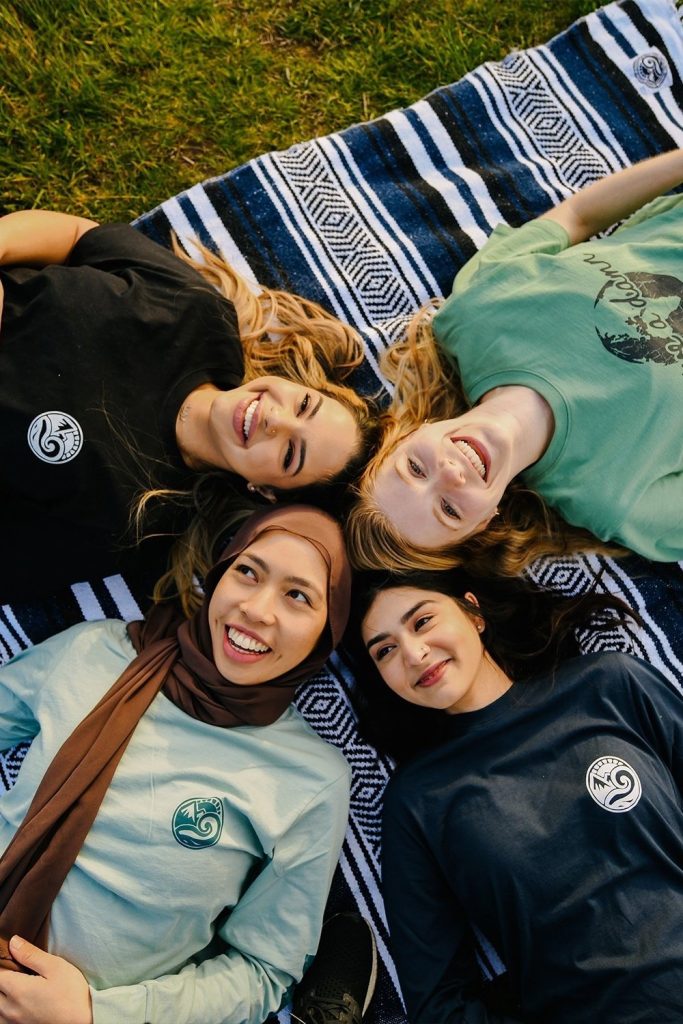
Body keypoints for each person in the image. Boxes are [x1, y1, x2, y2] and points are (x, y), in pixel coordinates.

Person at [0, 505, 352, 1024]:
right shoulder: (98, 652)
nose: (256, 609)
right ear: (217, 576)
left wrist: (97, 1015)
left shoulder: (312, 780)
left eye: (298, 596)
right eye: (247, 572)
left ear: (327, 633)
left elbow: (262, 972)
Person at [350, 568, 683, 1023]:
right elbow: (439, 1003)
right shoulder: (417, 800)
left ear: (474, 611)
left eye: (422, 621)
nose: (413, 652)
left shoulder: (610, 684)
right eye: (385, 650)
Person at [0, 210, 376, 602]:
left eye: (289, 453)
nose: (274, 418)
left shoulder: (139, 520)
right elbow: (80, 236)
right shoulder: (201, 313)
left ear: (264, 491)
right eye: (302, 405)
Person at [346, 148, 683, 576]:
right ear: (485, 522)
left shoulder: (471, 315)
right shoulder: (615, 500)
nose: (449, 474)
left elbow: (576, 216)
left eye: (414, 467)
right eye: (448, 510)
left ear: (410, 434)